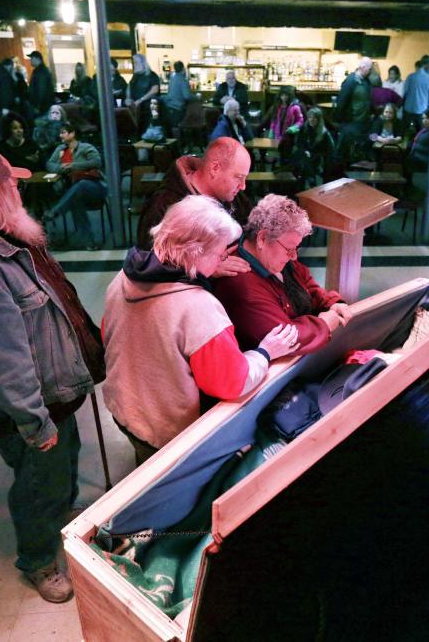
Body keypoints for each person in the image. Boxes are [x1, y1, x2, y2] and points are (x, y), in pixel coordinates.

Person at [0, 148, 104, 604]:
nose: (19, 189)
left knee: (64, 462)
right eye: (11, 184)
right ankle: (38, 561)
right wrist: (34, 420)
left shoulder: (9, 243)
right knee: (37, 486)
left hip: (51, 394)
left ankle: (63, 514)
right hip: (24, 408)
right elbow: (1, 362)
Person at [102, 195, 300, 463]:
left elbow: (108, 335)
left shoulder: (122, 278)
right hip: (167, 433)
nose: (223, 259)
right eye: (219, 253)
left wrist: (205, 270)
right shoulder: (198, 307)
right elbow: (233, 382)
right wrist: (264, 353)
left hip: (123, 409)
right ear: (196, 252)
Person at [214, 194, 351, 356]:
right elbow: (285, 338)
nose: (294, 257)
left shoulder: (273, 257)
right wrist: (324, 325)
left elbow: (306, 283)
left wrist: (330, 302)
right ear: (262, 238)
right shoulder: (241, 285)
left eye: (296, 249)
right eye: (289, 249)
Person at [137, 137, 253, 262]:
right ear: (215, 168)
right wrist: (208, 268)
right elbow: (149, 263)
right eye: (238, 177)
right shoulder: (163, 205)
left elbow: (254, 232)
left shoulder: (234, 197)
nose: (243, 186)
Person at [42, 121, 106, 250]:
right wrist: (61, 168)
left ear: (72, 133)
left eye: (63, 133)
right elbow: (50, 164)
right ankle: (89, 242)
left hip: (93, 187)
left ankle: (55, 212)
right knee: (76, 199)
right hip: (74, 189)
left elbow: (97, 161)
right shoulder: (60, 149)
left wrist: (73, 166)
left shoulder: (86, 147)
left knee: (81, 185)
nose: (60, 136)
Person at [333, 57, 374, 162]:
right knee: (346, 154)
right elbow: (341, 103)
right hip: (351, 123)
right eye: (369, 69)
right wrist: (339, 120)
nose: (371, 71)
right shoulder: (351, 81)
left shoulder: (365, 81)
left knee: (355, 153)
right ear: (362, 67)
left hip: (361, 122)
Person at [289, 106, 335, 188]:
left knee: (307, 162)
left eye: (314, 118)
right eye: (310, 117)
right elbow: (299, 143)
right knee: (303, 158)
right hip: (304, 154)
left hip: (317, 157)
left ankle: (309, 181)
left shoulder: (324, 133)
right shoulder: (304, 128)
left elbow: (329, 150)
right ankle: (310, 180)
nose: (311, 120)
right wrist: (305, 151)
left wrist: (314, 154)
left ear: (319, 120)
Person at [125, 54, 160, 126]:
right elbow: (129, 86)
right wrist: (128, 98)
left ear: (143, 63)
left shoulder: (152, 75)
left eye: (136, 63)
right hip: (136, 107)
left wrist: (141, 99)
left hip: (148, 108)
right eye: (134, 62)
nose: (134, 65)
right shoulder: (135, 76)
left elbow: (155, 90)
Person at [403, 60, 429, 135]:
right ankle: (418, 141)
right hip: (422, 108)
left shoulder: (411, 77)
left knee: (405, 129)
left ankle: (404, 143)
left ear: (416, 67)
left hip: (409, 107)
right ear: (423, 67)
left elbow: (405, 90)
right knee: (420, 130)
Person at [163, 60, 191, 133]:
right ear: (183, 69)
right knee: (179, 128)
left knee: (172, 128)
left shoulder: (172, 79)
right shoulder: (183, 80)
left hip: (169, 107)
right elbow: (187, 96)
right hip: (178, 109)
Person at [406, 107, 429, 173]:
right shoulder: (425, 130)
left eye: (427, 118)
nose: (424, 121)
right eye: (423, 118)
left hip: (423, 160)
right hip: (418, 156)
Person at [28, 51, 55, 116]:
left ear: (37, 59)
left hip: (42, 106)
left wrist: (37, 106)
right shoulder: (41, 70)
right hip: (44, 105)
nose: (30, 61)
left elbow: (41, 89)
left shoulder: (40, 71)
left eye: (31, 58)